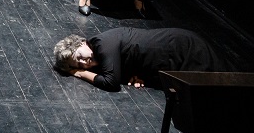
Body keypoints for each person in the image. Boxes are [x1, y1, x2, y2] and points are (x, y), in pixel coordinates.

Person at [52, 27, 223, 92]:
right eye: (79, 64)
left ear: (82, 42)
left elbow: (111, 83)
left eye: (80, 57)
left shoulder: (103, 44)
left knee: (220, 86)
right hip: (171, 61)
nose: (84, 63)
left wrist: (78, 73)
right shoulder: (99, 55)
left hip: (185, 50)